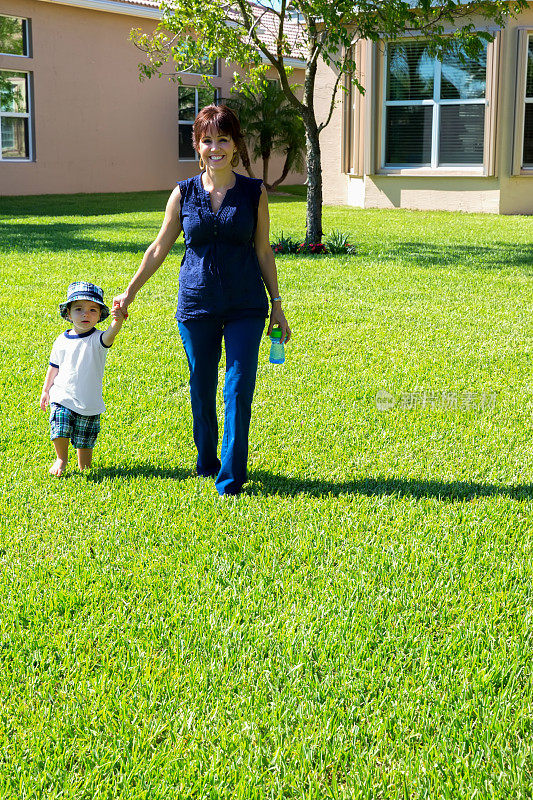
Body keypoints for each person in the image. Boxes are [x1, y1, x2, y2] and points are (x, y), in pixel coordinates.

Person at [113, 104, 291, 496]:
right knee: (201, 386)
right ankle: (208, 461)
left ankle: (230, 479)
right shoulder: (183, 193)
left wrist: (277, 303)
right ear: (197, 146)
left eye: (223, 139)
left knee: (238, 387)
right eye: (207, 139)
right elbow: (159, 248)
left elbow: (263, 251)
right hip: (196, 306)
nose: (216, 148)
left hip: (246, 304)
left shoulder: (253, 193)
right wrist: (130, 291)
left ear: (235, 144)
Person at [40, 281, 125, 476]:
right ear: (68, 314)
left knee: (85, 440)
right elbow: (53, 367)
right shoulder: (61, 340)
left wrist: (118, 320)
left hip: (89, 401)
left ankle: (84, 466)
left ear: (99, 316)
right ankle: (61, 458)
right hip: (62, 396)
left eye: (92, 310)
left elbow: (112, 332)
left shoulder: (99, 339)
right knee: (60, 428)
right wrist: (46, 390)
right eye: (79, 309)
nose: (85, 314)